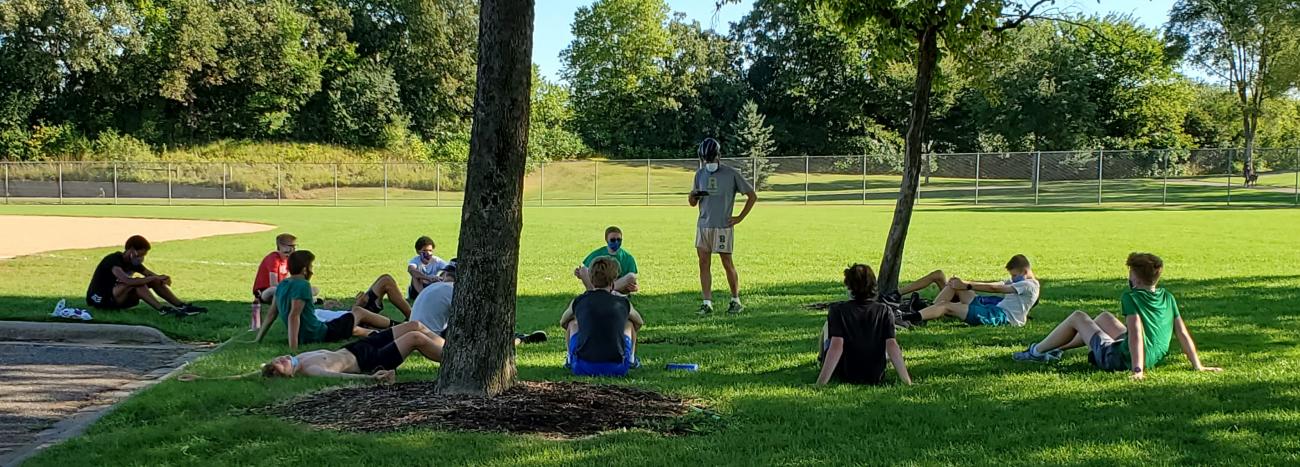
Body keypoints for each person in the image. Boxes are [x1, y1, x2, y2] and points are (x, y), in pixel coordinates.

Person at [1013, 253, 1222, 380]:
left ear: (1135, 278)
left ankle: (1036, 352)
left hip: (1119, 359)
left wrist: (1137, 370)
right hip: (1150, 356)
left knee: (1078, 317)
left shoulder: (1131, 298)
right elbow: (1182, 333)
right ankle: (1057, 348)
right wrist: (1198, 365)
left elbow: (1136, 335)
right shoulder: (1167, 297)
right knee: (1104, 318)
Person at [184, 321, 443, 382]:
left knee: (414, 325)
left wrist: (204, 378)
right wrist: (372, 379)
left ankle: (449, 347)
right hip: (369, 360)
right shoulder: (309, 369)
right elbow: (341, 378)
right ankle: (452, 359)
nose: (282, 358)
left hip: (357, 347)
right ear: (288, 375)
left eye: (278, 358)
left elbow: (252, 373)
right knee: (415, 337)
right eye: (281, 364)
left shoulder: (297, 359)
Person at [259, 250, 401, 352]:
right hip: (321, 332)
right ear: (304, 270)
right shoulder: (302, 285)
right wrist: (293, 348)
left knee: (354, 320)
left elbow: (272, 314)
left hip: (314, 331)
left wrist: (258, 338)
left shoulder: (282, 285)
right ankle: (399, 326)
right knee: (358, 312)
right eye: (311, 267)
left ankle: (390, 329)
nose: (312, 270)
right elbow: (294, 315)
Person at [689, 137, 758, 315]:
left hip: (723, 227)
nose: (709, 163)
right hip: (704, 226)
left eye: (711, 158)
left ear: (719, 156)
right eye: (706, 159)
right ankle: (707, 302)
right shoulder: (699, 174)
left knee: (727, 262)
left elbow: (752, 196)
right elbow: (692, 202)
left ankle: (735, 300)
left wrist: (739, 218)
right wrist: (693, 195)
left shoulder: (731, 174)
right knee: (703, 263)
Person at [817, 264, 913, 386]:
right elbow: (892, 346)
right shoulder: (885, 310)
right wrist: (907, 381)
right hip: (874, 374)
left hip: (845, 372)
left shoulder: (838, 310)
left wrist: (820, 383)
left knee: (827, 326)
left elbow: (836, 346)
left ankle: (820, 360)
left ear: (849, 286)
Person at [410, 260, 547, 344]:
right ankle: (518, 340)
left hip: (418, 332)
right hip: (433, 338)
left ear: (445, 274)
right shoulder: (454, 292)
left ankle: (516, 337)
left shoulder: (433, 287)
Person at [898, 254, 1040, 327]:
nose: (1012, 278)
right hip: (993, 308)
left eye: (1014, 275)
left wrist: (967, 285)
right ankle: (927, 312)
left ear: (1025, 271)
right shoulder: (1020, 281)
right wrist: (963, 284)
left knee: (946, 306)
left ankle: (909, 318)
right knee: (954, 284)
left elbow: (995, 288)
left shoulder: (1029, 285)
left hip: (1002, 318)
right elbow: (995, 283)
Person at [560, 257, 644, 377]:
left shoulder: (579, 301)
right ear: (613, 279)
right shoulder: (622, 302)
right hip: (617, 368)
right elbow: (639, 322)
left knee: (572, 323)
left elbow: (563, 322)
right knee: (629, 324)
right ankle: (631, 360)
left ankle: (569, 360)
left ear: (591, 278)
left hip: (582, 366)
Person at [85, 235, 205, 316]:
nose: (141, 258)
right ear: (131, 250)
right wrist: (152, 278)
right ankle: (162, 310)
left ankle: (182, 306)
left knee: (151, 281)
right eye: (140, 255)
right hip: (101, 299)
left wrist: (161, 278)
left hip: (117, 296)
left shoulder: (132, 262)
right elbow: (127, 281)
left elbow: (150, 275)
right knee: (138, 283)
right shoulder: (113, 260)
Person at [252, 233, 318, 304]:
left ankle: (298, 298)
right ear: (281, 246)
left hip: (282, 290)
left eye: (294, 247)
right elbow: (273, 284)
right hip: (264, 292)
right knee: (274, 289)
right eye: (291, 246)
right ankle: (302, 299)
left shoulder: (289, 259)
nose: (293, 249)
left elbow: (289, 279)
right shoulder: (274, 259)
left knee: (314, 289)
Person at [576, 226, 638, 294]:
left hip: (615, 287)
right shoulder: (597, 253)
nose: (616, 242)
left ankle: (603, 293)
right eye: (613, 240)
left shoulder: (628, 257)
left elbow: (633, 281)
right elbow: (587, 271)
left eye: (619, 240)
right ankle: (594, 292)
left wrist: (635, 288)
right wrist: (580, 274)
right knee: (583, 269)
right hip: (597, 284)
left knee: (632, 276)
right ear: (606, 240)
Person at [407, 236, 450, 302]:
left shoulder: (436, 260)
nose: (428, 253)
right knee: (415, 276)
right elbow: (411, 269)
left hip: (432, 286)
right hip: (417, 290)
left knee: (446, 273)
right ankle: (422, 296)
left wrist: (440, 278)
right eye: (424, 251)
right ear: (418, 252)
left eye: (430, 250)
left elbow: (449, 268)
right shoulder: (415, 260)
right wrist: (428, 278)